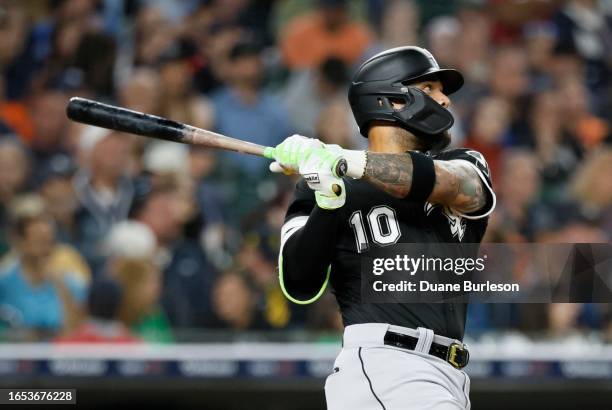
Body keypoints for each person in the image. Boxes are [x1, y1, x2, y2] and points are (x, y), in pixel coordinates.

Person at [268, 47, 496, 409]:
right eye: (432, 88)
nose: (445, 102)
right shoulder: (319, 184)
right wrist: (327, 203)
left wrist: (348, 161)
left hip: (448, 374)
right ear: (391, 100)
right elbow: (299, 283)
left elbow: (456, 186)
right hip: (386, 366)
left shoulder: (462, 162)